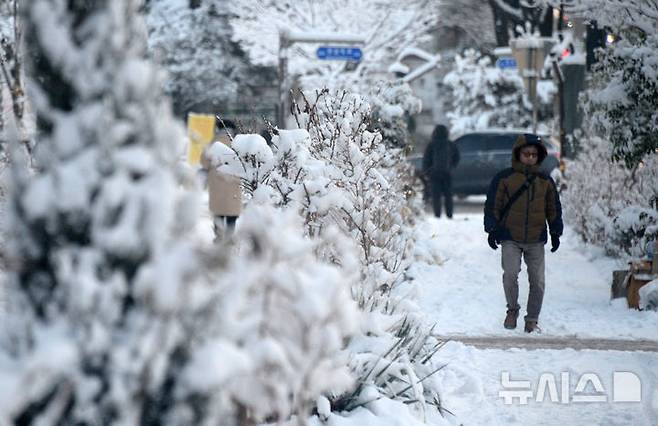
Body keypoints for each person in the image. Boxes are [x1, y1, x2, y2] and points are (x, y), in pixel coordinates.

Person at [484, 134, 563, 333]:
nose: (530, 157)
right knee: (510, 275)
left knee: (537, 280)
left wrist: (555, 231)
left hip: (536, 238)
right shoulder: (504, 178)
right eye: (526, 153)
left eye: (534, 154)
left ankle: (532, 319)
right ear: (518, 154)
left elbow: (553, 207)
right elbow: (493, 204)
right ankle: (512, 310)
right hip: (510, 235)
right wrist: (492, 229)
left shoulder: (545, 182)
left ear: (539, 157)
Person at [200, 120, 242, 240]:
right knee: (231, 214)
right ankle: (229, 238)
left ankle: (219, 238)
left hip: (216, 186)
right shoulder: (237, 144)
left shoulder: (211, 144)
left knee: (218, 212)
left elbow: (204, 163)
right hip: (233, 185)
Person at [422, 125, 460, 218]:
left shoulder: (431, 144)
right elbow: (457, 157)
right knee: (448, 195)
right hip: (447, 173)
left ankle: (437, 215)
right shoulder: (450, 144)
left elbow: (426, 159)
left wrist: (427, 172)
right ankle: (449, 214)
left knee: (436, 196)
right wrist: (452, 166)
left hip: (434, 174)